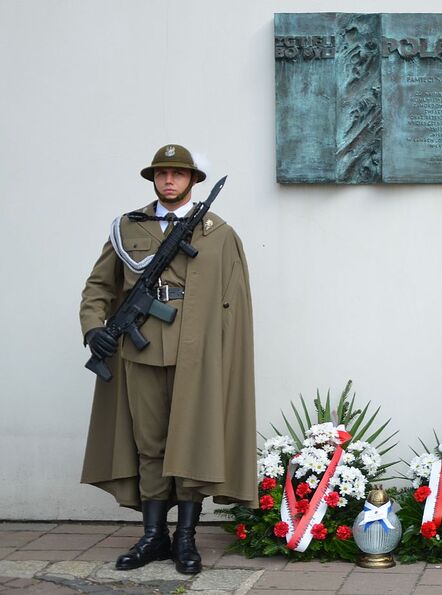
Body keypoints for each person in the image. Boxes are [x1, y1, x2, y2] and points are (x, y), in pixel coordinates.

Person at [79, 144, 256, 574]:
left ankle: (186, 539)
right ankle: (154, 536)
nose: (169, 181)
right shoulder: (128, 227)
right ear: (153, 179)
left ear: (193, 180)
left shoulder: (218, 233)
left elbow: (234, 303)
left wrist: (225, 358)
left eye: (178, 174)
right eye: (162, 174)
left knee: (192, 441)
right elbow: (98, 288)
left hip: (197, 354)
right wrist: (94, 329)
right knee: (150, 445)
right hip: (140, 351)